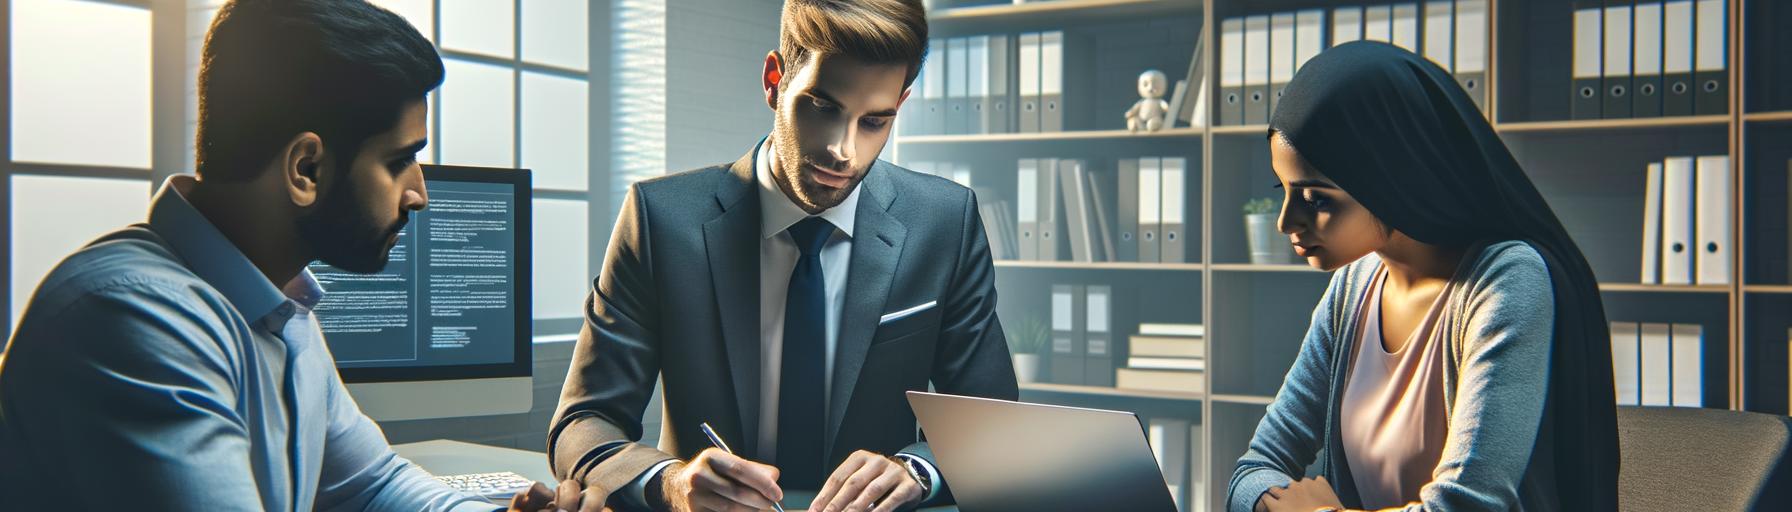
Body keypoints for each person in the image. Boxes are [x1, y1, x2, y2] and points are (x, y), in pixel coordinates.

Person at [0, 1, 557, 510]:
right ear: (305, 169)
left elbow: (371, 484)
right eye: (398, 162)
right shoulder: (133, 316)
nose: (419, 194)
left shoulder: (279, 301)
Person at [547, 1, 1018, 511]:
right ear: (775, 80)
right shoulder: (659, 219)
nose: (844, 150)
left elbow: (991, 420)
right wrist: (671, 483)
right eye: (823, 108)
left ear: (900, 106)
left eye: (874, 122)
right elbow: (583, 420)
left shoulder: (946, 220)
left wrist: (917, 471)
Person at [1226, 41, 1619, 512]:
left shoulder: (1506, 283)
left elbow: (1468, 505)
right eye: (1283, 190)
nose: (1286, 222)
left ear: (1391, 180)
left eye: (1316, 199)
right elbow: (1254, 469)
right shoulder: (1352, 288)